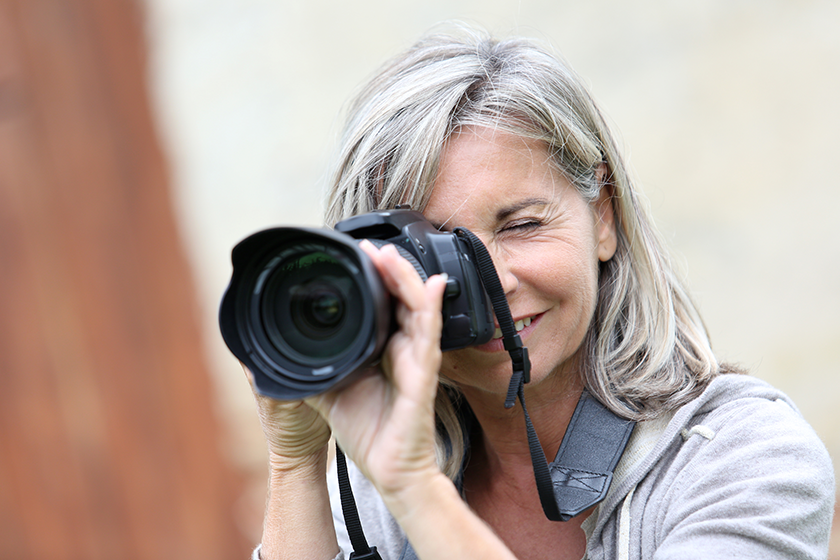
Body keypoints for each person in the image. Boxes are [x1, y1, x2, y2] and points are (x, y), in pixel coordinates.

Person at [244, 25, 835, 560]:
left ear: (603, 217)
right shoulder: (369, 492)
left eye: (522, 225)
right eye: (437, 254)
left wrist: (418, 493)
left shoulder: (739, 459)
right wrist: (295, 463)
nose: (493, 280)